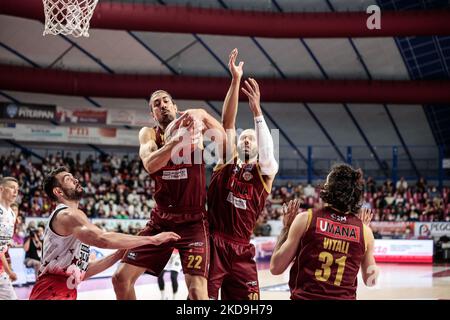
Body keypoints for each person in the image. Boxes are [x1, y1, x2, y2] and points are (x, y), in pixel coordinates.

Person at [112, 90, 226, 300]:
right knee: (120, 278)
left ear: (175, 107)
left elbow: (224, 139)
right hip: (161, 221)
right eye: (156, 104)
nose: (162, 105)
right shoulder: (148, 134)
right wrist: (175, 142)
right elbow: (150, 164)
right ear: (152, 114)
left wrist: (203, 114)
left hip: (193, 222)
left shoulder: (192, 125)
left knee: (197, 293)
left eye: (166, 101)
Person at [29, 167, 180, 300]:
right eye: (68, 179)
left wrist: (118, 254)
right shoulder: (68, 215)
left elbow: (83, 272)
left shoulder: (72, 218)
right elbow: (102, 239)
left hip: (58, 291)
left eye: (73, 177)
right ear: (58, 191)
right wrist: (152, 240)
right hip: (51, 292)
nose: (75, 179)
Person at [207, 49, 278, 300]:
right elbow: (228, 124)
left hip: (242, 248)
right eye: (243, 138)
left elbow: (269, 153)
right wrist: (235, 80)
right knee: (200, 300)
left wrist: (257, 112)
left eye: (251, 138)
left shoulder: (264, 171)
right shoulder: (226, 162)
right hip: (214, 242)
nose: (246, 140)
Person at [270, 164, 379, 300]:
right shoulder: (365, 231)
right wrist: (365, 241)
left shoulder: (305, 219)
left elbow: (276, 268)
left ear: (328, 188)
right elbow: (371, 281)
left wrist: (286, 228)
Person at [0, 177, 19, 300]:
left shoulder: (12, 214)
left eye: (17, 189)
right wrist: (9, 271)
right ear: (1, 189)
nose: (15, 192)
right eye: (12, 188)